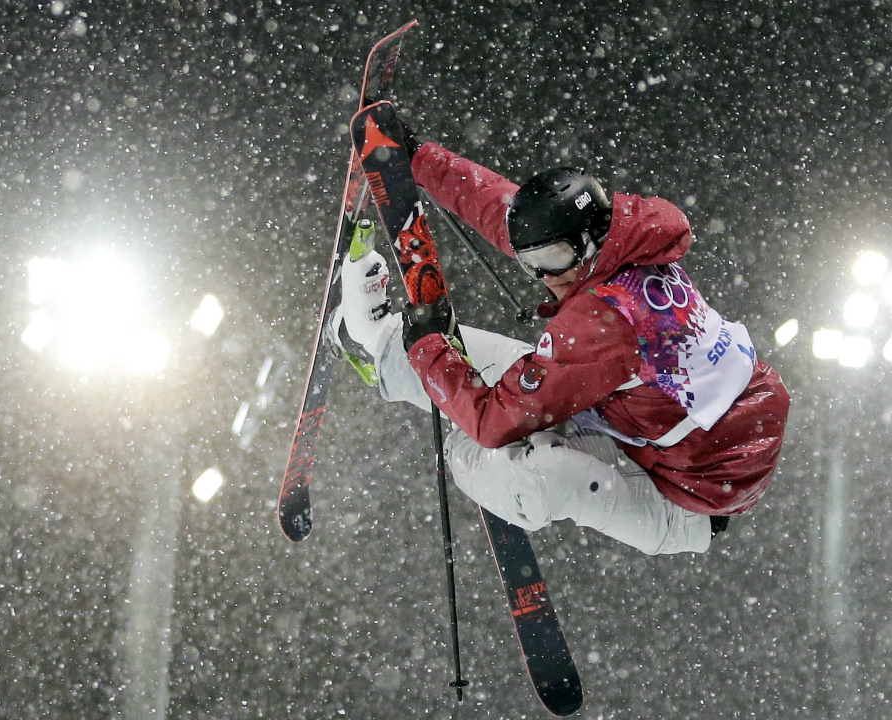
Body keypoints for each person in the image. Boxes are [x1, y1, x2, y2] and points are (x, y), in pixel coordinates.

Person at [332, 136, 790, 556]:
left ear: (587, 240)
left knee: (522, 454)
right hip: (655, 427)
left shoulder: (605, 319)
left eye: (551, 260)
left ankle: (484, 463)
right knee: (518, 385)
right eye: (532, 261)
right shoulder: (625, 236)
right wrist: (418, 160)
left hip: (684, 503)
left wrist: (435, 358)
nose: (544, 276)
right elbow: (506, 213)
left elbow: (493, 422)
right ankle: (378, 341)